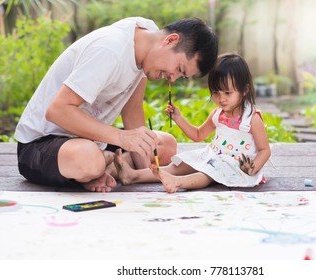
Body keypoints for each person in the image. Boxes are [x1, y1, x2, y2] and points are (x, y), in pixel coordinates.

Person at [14, 17, 218, 192]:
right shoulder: (110, 49)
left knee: (165, 145)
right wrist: (121, 138)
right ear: (170, 40)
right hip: (41, 144)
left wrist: (144, 169)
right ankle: (101, 166)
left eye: (180, 76)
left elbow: (132, 110)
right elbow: (57, 111)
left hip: (89, 139)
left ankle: (109, 166)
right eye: (179, 68)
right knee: (88, 159)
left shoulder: (146, 42)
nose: (172, 79)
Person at [114, 53, 271, 193]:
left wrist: (252, 168)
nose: (221, 99)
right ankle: (133, 176)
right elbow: (198, 135)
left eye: (227, 93)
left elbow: (265, 150)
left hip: (237, 167)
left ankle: (177, 182)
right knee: (177, 166)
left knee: (207, 174)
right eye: (216, 92)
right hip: (214, 157)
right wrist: (179, 119)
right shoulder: (217, 114)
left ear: (244, 90)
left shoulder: (252, 118)